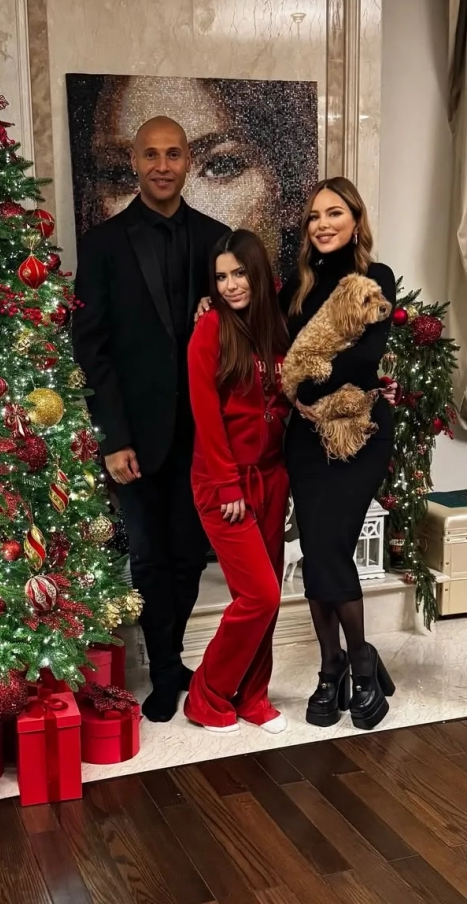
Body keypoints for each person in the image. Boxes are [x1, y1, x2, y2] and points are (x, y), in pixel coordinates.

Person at [72, 115, 228, 722]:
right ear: (134, 162)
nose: (162, 166)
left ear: (188, 161)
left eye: (173, 154)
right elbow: (92, 348)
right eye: (150, 155)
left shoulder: (218, 240)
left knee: (188, 556)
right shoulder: (102, 244)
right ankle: (164, 670)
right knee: (148, 559)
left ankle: (170, 656)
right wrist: (112, 438)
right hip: (133, 439)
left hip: (201, 435)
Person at [279, 177, 396, 731]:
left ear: (355, 220)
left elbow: (367, 357)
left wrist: (305, 388)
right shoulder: (296, 287)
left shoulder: (376, 279)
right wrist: (211, 300)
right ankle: (335, 666)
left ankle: (358, 664)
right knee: (319, 548)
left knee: (328, 547)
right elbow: (268, 338)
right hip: (306, 440)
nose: (322, 224)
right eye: (314, 216)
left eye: (334, 214)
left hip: (359, 431)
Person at [184, 230, 291, 734]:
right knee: (260, 595)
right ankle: (207, 694)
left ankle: (253, 697)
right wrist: (227, 485)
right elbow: (206, 416)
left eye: (239, 273)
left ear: (258, 273)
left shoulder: (277, 328)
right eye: (221, 277)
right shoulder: (210, 329)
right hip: (222, 483)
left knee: (269, 598)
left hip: (272, 478)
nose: (230, 285)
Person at [67, 75, 318, 283]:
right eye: (120, 175)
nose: (163, 170)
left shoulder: (216, 234)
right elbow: (90, 328)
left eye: (221, 166)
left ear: (287, 197)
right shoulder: (100, 244)